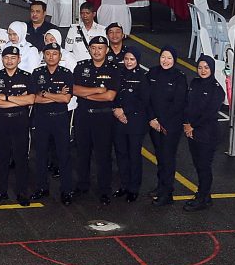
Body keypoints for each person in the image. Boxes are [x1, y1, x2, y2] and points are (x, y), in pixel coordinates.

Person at [72, 36, 121, 204]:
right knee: (82, 153)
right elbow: (75, 90)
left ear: (106, 50)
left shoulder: (113, 69)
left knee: (103, 155)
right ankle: (82, 185)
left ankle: (104, 190)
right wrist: (97, 90)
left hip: (103, 117)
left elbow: (110, 96)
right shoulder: (81, 67)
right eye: (93, 47)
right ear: (89, 49)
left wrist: (89, 94)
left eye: (100, 48)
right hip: (83, 116)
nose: (96, 51)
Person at [0, 46, 36, 206]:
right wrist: (17, 99)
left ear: (19, 59)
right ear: (2, 59)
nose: (9, 60)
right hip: (1, 121)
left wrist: (7, 98)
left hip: (20, 121)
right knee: (0, 158)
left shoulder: (27, 77)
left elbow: (30, 100)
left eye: (13, 58)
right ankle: (0, 192)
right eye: (6, 57)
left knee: (21, 158)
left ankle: (22, 192)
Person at [31, 42, 75, 205]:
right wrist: (54, 94)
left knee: (64, 155)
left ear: (60, 56)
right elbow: (33, 98)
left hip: (60, 118)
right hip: (42, 118)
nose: (51, 57)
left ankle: (66, 190)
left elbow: (66, 98)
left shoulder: (66, 74)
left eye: (54, 54)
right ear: (44, 55)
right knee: (41, 155)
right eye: (48, 53)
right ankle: (42, 187)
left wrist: (44, 93)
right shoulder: (37, 73)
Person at [146, 46, 188, 207]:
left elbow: (178, 104)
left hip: (170, 126)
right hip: (154, 124)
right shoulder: (152, 73)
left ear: (175, 60)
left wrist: (161, 122)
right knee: (160, 157)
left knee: (168, 158)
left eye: (169, 58)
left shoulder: (179, 78)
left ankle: (167, 193)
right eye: (163, 57)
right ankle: (161, 186)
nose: (165, 61)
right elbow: (146, 97)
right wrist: (152, 118)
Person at [183, 55, 224, 211]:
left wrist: (192, 126)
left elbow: (209, 113)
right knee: (198, 165)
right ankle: (205, 196)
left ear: (212, 69)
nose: (203, 70)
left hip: (207, 134)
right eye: (200, 67)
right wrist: (186, 123)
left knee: (204, 166)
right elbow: (187, 104)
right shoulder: (194, 83)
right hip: (192, 131)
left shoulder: (217, 90)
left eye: (206, 67)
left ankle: (201, 198)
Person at [112, 46, 148, 203]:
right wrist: (115, 110)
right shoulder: (118, 74)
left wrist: (123, 110)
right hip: (118, 120)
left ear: (138, 60)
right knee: (121, 154)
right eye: (126, 59)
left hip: (135, 122)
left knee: (134, 155)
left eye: (132, 59)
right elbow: (111, 93)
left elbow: (143, 100)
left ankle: (134, 188)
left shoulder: (142, 77)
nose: (128, 62)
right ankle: (124, 185)